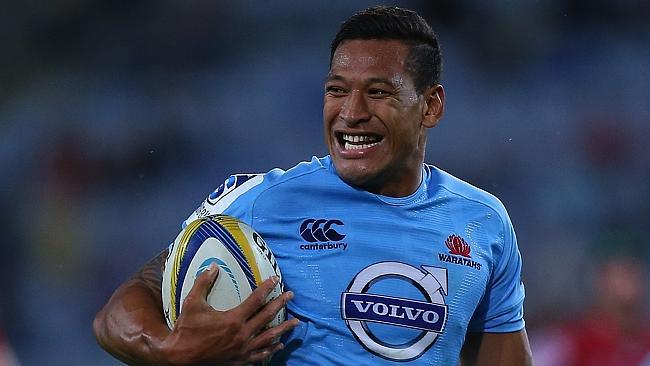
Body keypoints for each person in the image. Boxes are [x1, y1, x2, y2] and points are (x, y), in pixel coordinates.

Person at [93, 6, 533, 365]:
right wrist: (173, 349)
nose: (351, 112)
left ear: (431, 105)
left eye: (378, 92)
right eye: (337, 90)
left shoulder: (484, 223)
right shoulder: (263, 201)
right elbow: (118, 312)